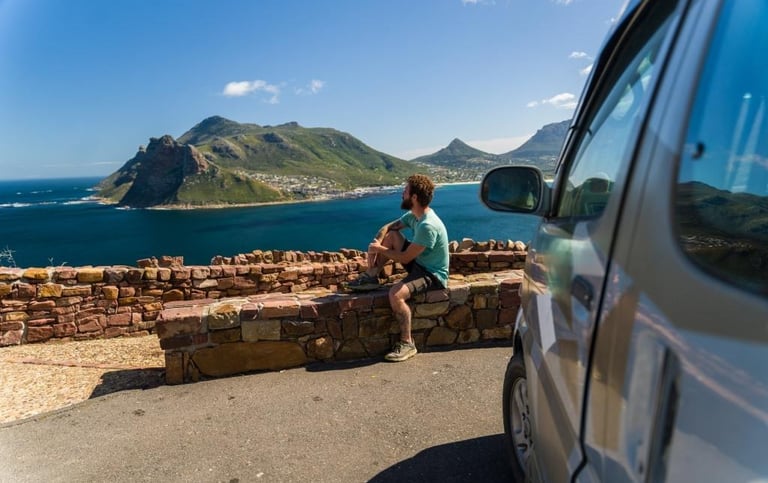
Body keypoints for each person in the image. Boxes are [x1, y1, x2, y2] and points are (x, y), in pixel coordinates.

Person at [348, 174, 449, 362]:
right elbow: (389, 227)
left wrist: (379, 249)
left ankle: (407, 343)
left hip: (433, 274)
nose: (402, 194)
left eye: (405, 191)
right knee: (393, 236)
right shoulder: (414, 215)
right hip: (420, 263)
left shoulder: (428, 225)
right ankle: (371, 276)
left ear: (414, 198)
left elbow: (405, 257)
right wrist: (377, 241)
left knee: (395, 294)